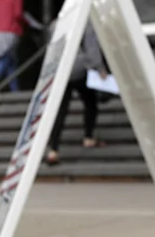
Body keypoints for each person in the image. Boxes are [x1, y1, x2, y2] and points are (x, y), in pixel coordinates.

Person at [45, 21, 108, 166]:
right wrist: (100, 68)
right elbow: (92, 49)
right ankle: (88, 137)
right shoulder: (85, 22)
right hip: (79, 68)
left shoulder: (56, 24)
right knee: (90, 102)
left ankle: (53, 150)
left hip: (60, 70)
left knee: (59, 110)